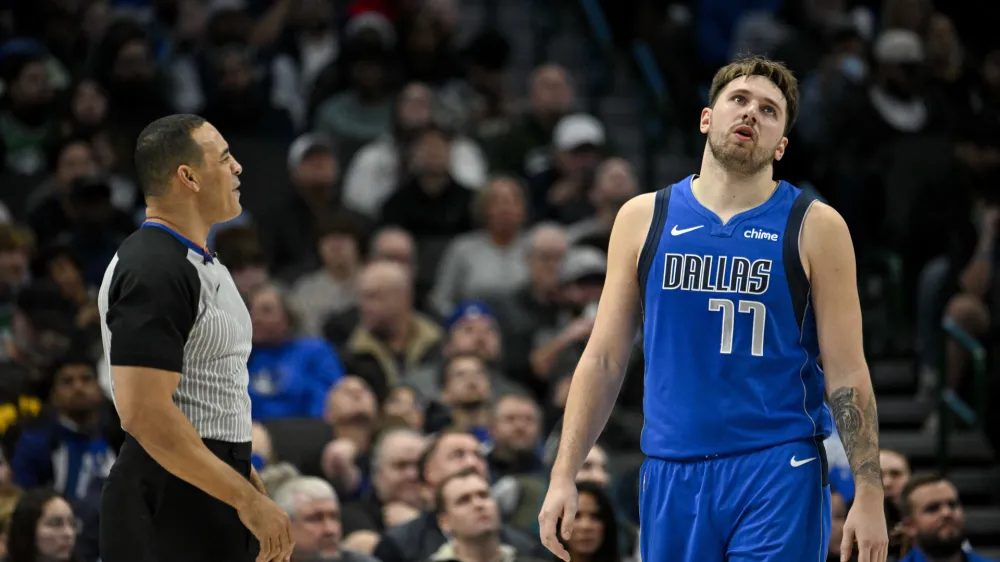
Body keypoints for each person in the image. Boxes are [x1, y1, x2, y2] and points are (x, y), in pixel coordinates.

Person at [537, 56, 890, 562]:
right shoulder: (642, 217)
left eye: (770, 111)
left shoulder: (816, 225)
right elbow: (604, 358)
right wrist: (563, 474)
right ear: (708, 117)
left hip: (777, 466)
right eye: (739, 101)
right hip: (671, 469)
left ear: (781, 145)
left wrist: (869, 492)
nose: (751, 114)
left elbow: (847, 369)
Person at [96, 114, 294, 562]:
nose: (238, 167)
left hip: (206, 488)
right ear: (187, 177)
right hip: (165, 503)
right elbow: (144, 414)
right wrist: (245, 499)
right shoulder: (153, 268)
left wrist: (245, 482)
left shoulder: (204, 262)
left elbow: (211, 395)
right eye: (224, 159)